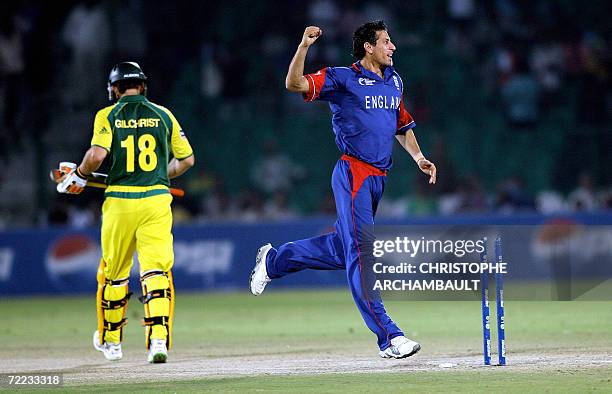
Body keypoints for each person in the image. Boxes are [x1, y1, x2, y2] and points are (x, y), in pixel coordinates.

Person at [249, 21, 437, 359]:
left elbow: (401, 123)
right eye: (386, 41)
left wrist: (419, 157)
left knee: (340, 249)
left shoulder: (394, 80)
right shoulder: (342, 78)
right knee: (361, 254)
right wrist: (304, 46)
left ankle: (274, 261)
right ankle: (389, 337)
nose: (392, 47)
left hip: (379, 177)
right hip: (353, 173)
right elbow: (293, 83)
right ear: (368, 46)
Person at [56, 62, 195, 363]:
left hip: (120, 202)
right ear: (142, 86)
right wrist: (160, 174)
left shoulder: (108, 115)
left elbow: (96, 156)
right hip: (156, 201)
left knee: (114, 274)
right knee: (156, 272)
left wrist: (78, 174)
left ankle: (111, 343)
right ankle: (158, 341)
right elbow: (187, 160)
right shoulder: (164, 114)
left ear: (115, 88)